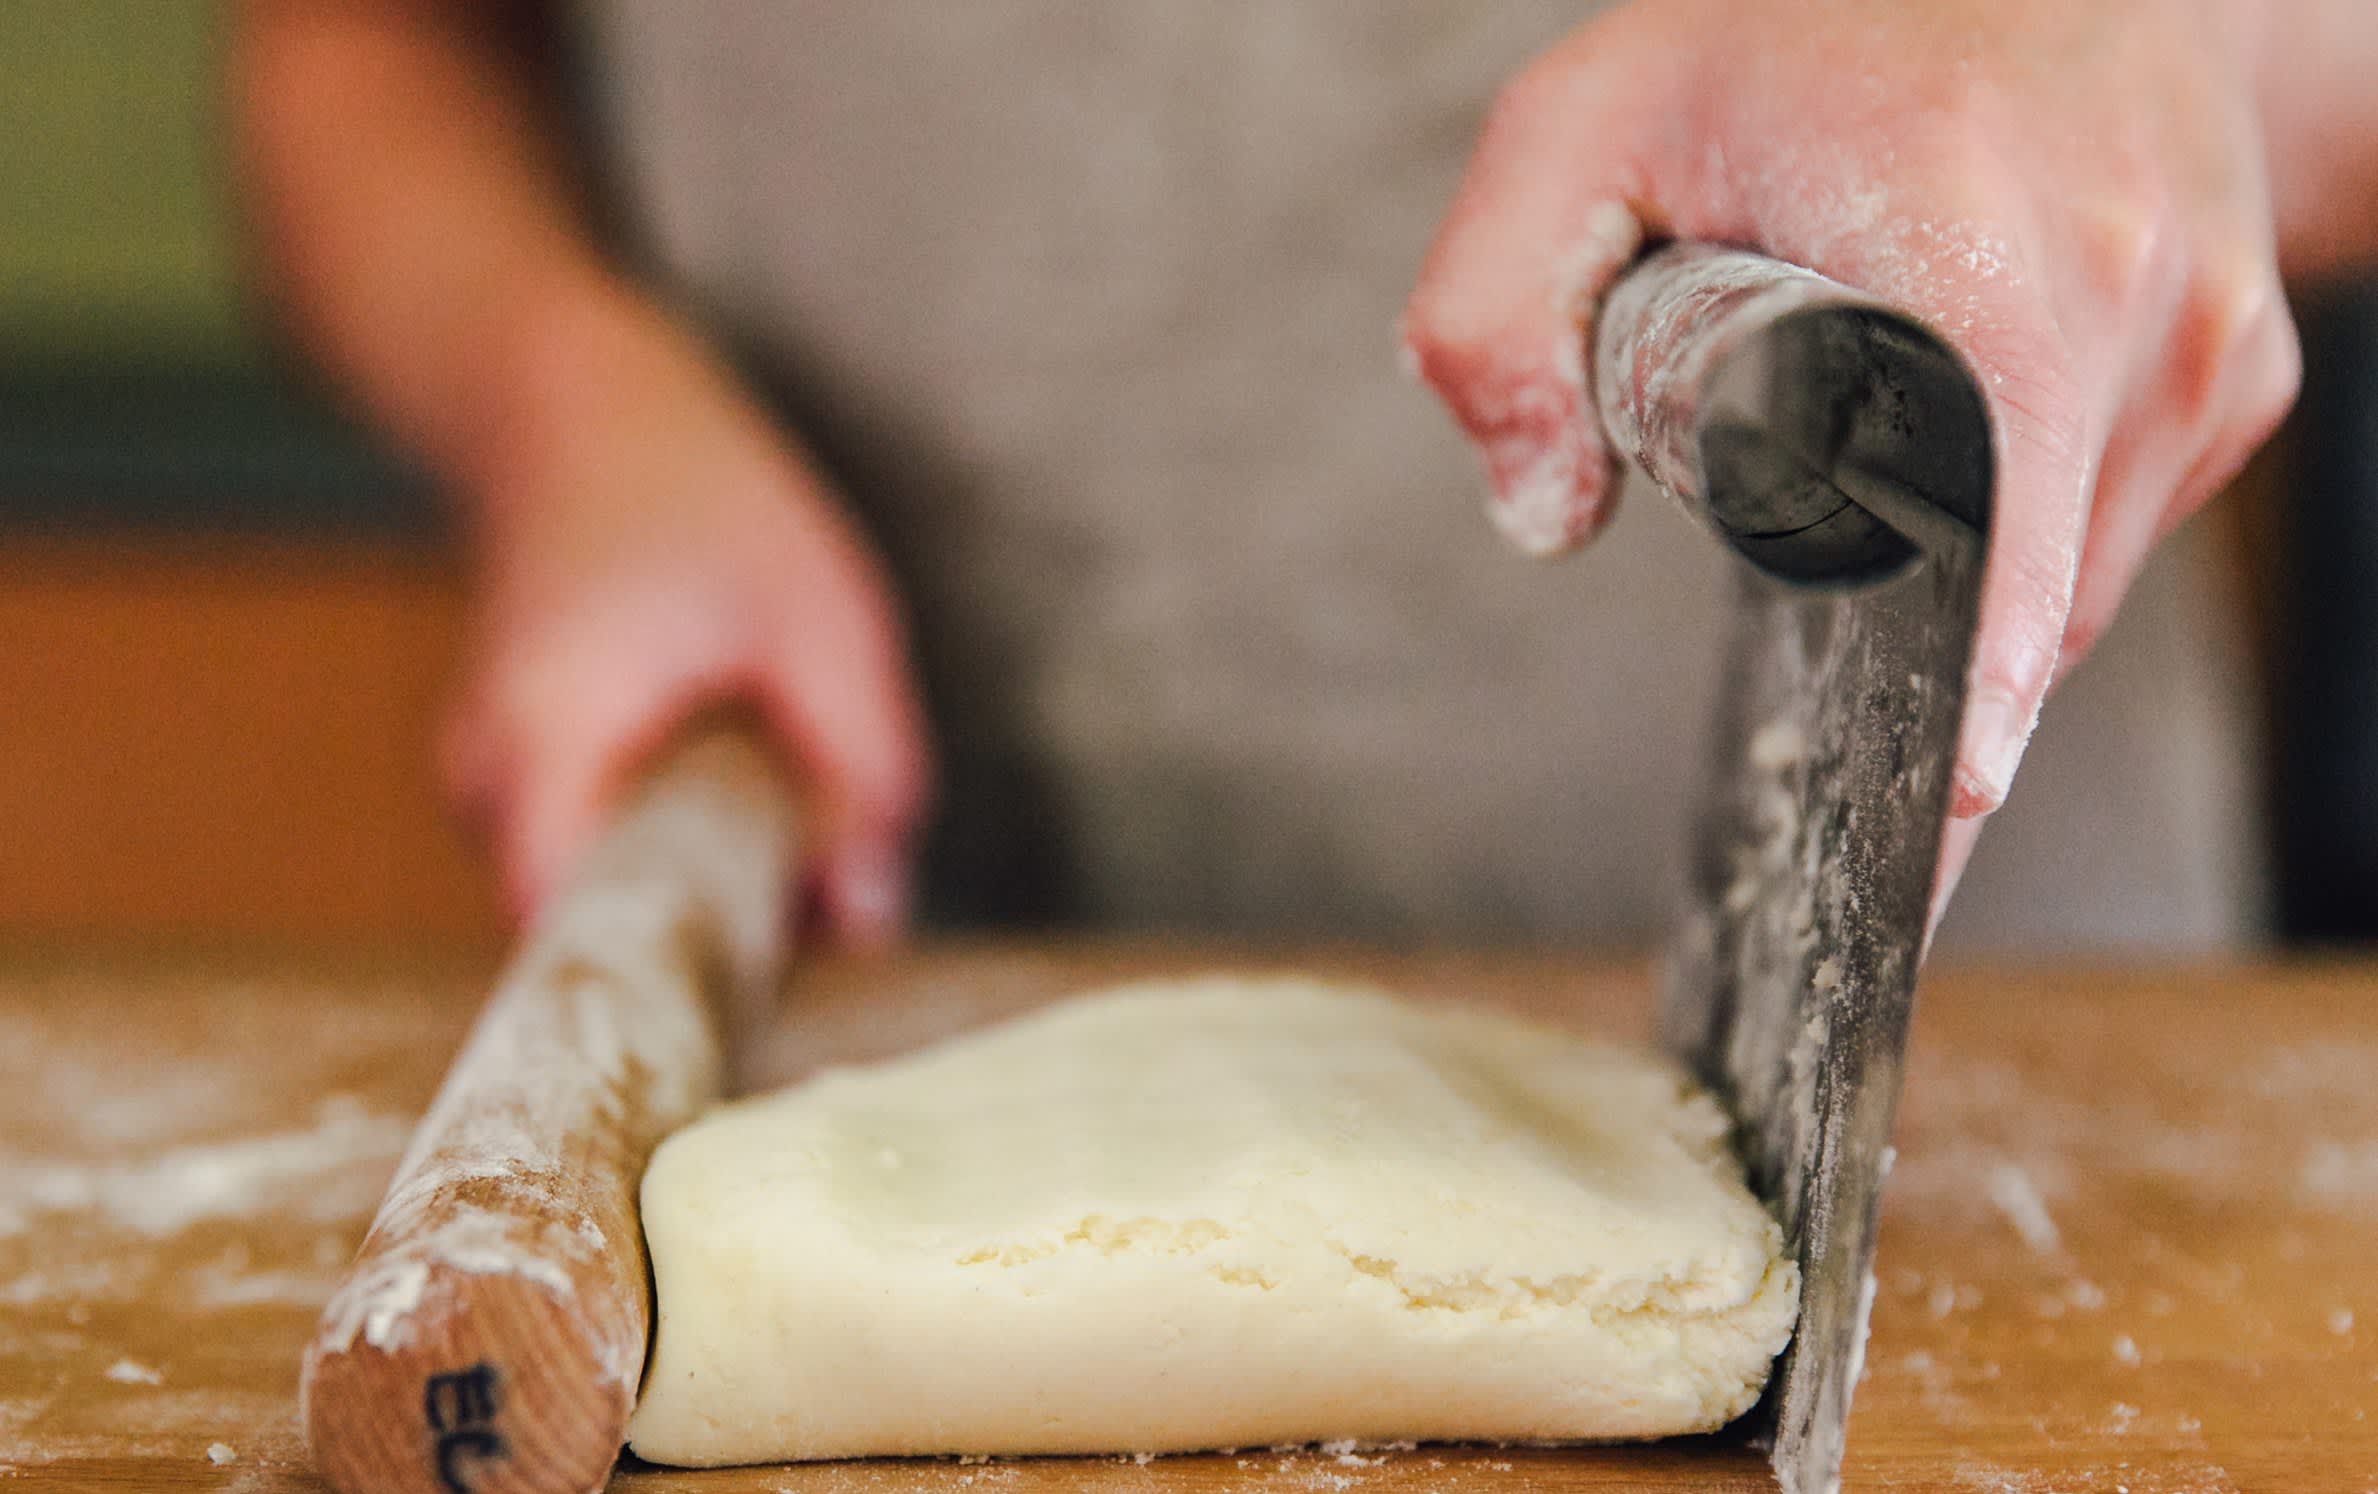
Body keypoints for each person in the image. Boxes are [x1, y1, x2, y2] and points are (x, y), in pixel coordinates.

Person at [233, 1, 2378, 949]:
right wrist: (560, 390)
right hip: (879, 931)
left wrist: (2173, 43)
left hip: (1990, 1102)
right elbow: (362, 40)